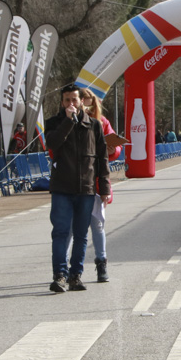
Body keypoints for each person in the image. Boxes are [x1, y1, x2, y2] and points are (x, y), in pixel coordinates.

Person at [44, 84, 112, 293]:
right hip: (62, 188)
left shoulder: (94, 125)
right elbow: (53, 143)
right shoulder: (54, 123)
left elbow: (102, 158)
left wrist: (105, 187)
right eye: (67, 100)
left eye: (74, 100)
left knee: (82, 235)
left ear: (82, 101)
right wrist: (67, 122)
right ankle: (60, 275)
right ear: (62, 103)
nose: (71, 104)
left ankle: (76, 275)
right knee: (61, 233)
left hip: (86, 188)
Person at [81, 88, 123, 283]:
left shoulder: (102, 122)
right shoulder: (69, 121)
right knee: (72, 228)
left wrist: (113, 149)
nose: (85, 106)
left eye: (89, 103)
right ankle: (67, 268)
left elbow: (116, 150)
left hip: (97, 181)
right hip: (75, 181)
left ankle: (101, 262)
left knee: (97, 225)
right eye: (82, 102)